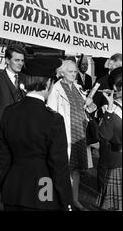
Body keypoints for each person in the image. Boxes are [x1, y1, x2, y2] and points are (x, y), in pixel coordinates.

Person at [0, 57, 73, 211]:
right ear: (48, 83)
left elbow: (3, 158)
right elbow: (59, 166)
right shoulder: (53, 119)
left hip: (13, 188)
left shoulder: (9, 112)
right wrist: (67, 201)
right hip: (43, 188)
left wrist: (5, 188)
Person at [47, 59, 95, 211]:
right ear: (62, 72)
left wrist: (88, 103)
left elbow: (87, 109)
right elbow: (51, 113)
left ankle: (74, 200)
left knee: (76, 169)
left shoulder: (77, 87)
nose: (74, 74)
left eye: (75, 71)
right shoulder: (56, 89)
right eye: (70, 71)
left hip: (79, 133)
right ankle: (63, 200)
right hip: (65, 134)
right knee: (64, 169)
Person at [94, 53, 123, 192]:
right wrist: (107, 110)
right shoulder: (102, 81)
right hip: (108, 125)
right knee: (105, 163)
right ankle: (102, 190)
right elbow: (93, 103)